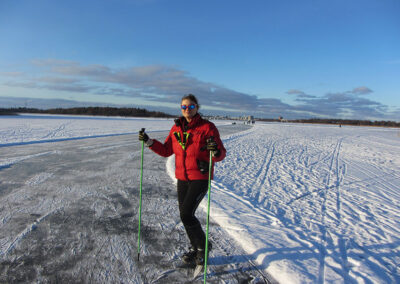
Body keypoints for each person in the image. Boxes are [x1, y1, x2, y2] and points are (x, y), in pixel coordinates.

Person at [138, 94, 226, 265]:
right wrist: (149, 142)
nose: (187, 109)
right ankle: (195, 247)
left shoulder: (208, 127)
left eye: (191, 106)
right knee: (185, 215)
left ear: (197, 108)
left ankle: (203, 248)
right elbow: (165, 150)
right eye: (184, 107)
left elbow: (220, 153)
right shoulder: (176, 129)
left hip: (200, 176)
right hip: (182, 178)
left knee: (186, 214)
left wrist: (214, 151)